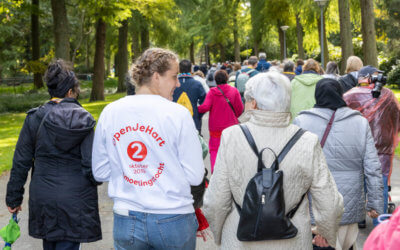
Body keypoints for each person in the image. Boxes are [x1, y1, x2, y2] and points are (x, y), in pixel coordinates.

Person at [202, 72, 343, 249]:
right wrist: (326, 233)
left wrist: (219, 235)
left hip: (240, 238)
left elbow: (216, 201)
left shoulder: (232, 136)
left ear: (253, 103)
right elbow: (329, 202)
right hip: (293, 239)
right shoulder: (307, 141)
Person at [92, 48, 205, 250]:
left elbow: (100, 171)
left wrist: (130, 172)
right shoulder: (178, 114)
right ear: (156, 77)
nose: (178, 84)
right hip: (173, 217)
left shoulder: (110, 112)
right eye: (174, 77)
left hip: (127, 218)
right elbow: (195, 176)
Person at [6, 60, 102, 250]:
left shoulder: (34, 118)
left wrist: (13, 198)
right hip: (76, 199)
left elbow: (21, 162)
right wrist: (95, 181)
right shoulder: (83, 120)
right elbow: (91, 164)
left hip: (44, 198)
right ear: (69, 91)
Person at [293, 78, 384, 250]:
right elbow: (373, 167)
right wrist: (375, 203)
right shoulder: (359, 122)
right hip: (350, 205)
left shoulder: (301, 122)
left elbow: (293, 168)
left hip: (315, 205)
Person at [344, 65, 400, 227]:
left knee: (358, 185)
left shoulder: (351, 96)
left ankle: (359, 219)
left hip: (358, 148)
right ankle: (379, 227)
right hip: (383, 150)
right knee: (380, 186)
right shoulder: (389, 95)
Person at [198, 70, 243, 173]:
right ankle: (232, 172)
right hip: (231, 126)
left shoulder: (212, 92)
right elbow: (240, 109)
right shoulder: (234, 91)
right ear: (226, 78)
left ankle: (215, 172)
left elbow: (205, 107)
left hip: (216, 128)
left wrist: (194, 109)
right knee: (231, 149)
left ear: (215, 80)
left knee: (214, 150)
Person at [173, 59, 206, 133]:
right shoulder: (197, 84)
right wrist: (198, 114)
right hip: (193, 120)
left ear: (178, 69)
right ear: (191, 69)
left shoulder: (172, 84)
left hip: (175, 121)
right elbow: (205, 103)